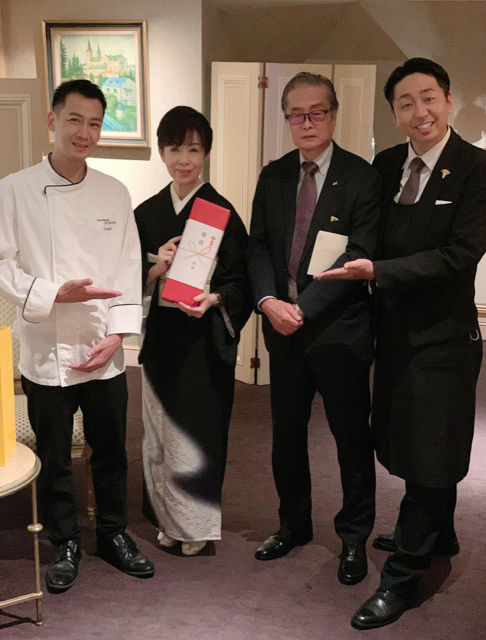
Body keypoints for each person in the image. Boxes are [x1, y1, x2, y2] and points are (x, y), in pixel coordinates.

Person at [315, 58, 486, 629]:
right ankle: (441, 533)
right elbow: (357, 224)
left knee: (431, 451)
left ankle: (402, 577)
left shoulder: (476, 169)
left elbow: (459, 255)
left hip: (443, 339)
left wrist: (378, 272)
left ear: (449, 100)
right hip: (392, 335)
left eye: (429, 97)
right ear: (393, 113)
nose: (420, 112)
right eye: (406, 103)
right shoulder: (386, 165)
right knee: (404, 438)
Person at [0, 79, 155, 593]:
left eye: (94, 123)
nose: (84, 132)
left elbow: (128, 265)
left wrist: (119, 335)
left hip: (103, 346)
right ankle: (64, 540)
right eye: (74, 119)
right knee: (55, 455)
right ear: (52, 121)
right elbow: (1, 264)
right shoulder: (14, 188)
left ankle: (113, 533)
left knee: (111, 449)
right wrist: (50, 294)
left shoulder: (114, 191)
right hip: (47, 350)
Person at [246, 72, 381, 584]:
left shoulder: (362, 177)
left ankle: (354, 538)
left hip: (339, 331)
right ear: (286, 119)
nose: (307, 122)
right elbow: (258, 246)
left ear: (333, 113)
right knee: (286, 436)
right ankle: (293, 525)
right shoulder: (274, 176)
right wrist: (267, 302)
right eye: (296, 114)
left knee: (351, 439)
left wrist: (301, 308)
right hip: (282, 331)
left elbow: (359, 254)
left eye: (317, 112)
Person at [134, 106, 251, 556]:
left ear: (206, 153)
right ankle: (167, 518)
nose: (184, 160)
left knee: (198, 432)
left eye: (194, 149)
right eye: (175, 149)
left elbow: (241, 281)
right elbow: (126, 276)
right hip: (161, 338)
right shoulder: (146, 213)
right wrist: (154, 268)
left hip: (204, 340)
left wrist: (215, 298)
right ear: (162, 152)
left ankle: (196, 524)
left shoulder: (222, 212)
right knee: (161, 434)